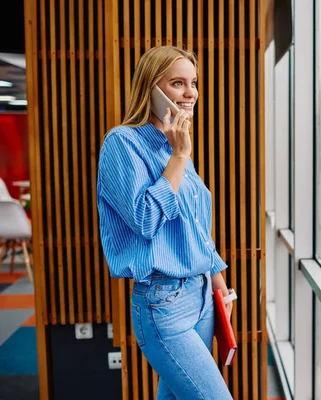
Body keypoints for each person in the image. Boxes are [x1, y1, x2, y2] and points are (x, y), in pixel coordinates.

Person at [97, 46, 234, 400]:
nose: (191, 93)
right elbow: (145, 219)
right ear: (151, 88)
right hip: (164, 302)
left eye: (194, 83)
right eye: (177, 83)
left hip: (202, 295)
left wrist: (220, 287)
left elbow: (196, 227)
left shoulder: (174, 143)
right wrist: (179, 156)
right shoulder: (122, 143)